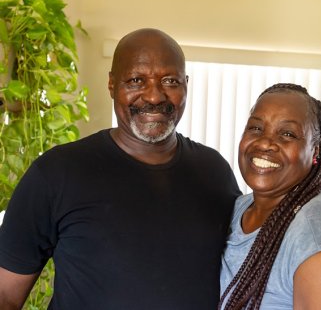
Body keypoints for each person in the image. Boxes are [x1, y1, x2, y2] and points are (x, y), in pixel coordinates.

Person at [0, 28, 241, 310]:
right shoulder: (57, 172)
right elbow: (5, 295)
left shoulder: (214, 172)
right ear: (112, 85)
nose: (154, 96)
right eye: (137, 80)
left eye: (170, 80)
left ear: (186, 85)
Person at [219, 83, 321, 309]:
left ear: (314, 151)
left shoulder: (320, 241)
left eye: (287, 134)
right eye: (256, 128)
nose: (265, 142)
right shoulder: (237, 209)